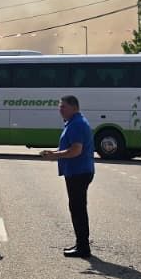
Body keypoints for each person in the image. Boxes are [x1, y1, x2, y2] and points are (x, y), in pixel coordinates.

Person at [41, 95, 95, 258]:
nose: (60, 110)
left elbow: (76, 150)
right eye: (60, 106)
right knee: (77, 208)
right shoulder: (74, 122)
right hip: (78, 171)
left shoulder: (77, 124)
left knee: (78, 209)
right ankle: (81, 244)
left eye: (63, 106)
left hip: (78, 172)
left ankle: (83, 247)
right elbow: (70, 147)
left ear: (74, 107)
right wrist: (54, 153)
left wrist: (55, 155)